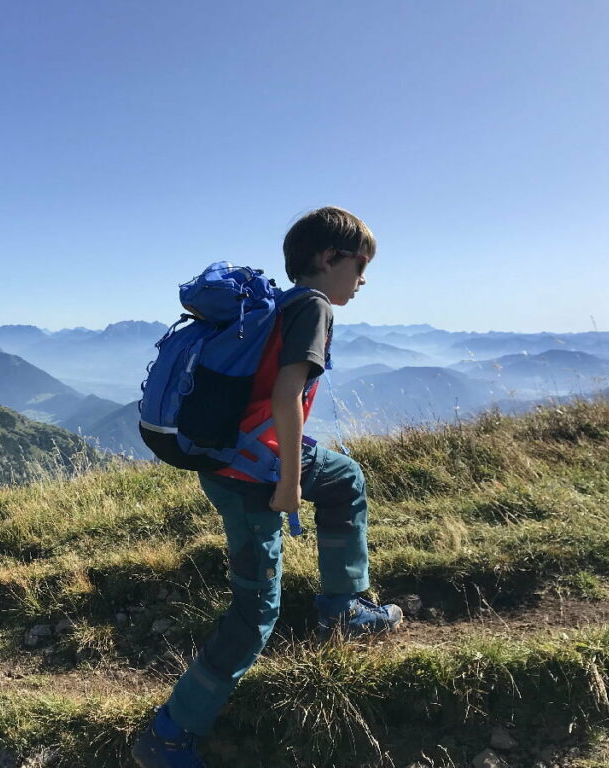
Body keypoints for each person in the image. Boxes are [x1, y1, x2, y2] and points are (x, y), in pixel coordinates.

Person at [132, 207, 401, 767]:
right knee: (255, 611)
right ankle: (168, 735)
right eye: (360, 264)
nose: (364, 278)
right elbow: (285, 396)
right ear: (329, 258)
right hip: (252, 479)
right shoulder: (314, 308)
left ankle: (343, 608)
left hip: (233, 462)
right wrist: (290, 484)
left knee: (345, 477)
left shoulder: (277, 306)